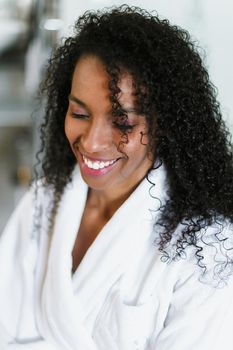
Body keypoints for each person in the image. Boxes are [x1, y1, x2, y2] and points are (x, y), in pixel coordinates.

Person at [1, 4, 233, 350]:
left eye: (123, 122)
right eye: (79, 113)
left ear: (165, 124)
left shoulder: (208, 248)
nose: (92, 142)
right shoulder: (45, 200)